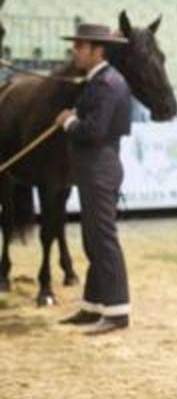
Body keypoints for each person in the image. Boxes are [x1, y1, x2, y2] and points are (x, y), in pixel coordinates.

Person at [55, 23, 135, 335]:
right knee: (93, 238)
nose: (74, 50)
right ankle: (94, 304)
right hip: (96, 169)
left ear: (97, 50)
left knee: (103, 239)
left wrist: (68, 121)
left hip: (99, 169)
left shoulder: (105, 84)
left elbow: (93, 131)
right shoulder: (99, 81)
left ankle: (117, 311)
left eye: (80, 46)